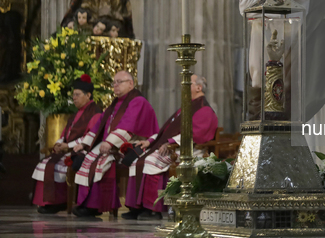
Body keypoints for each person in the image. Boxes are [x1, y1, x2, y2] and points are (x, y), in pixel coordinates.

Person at [122, 74, 218, 220]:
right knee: (136, 161)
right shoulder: (186, 107)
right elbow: (166, 131)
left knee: (150, 161)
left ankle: (153, 209)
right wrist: (149, 141)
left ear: (198, 88)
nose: (183, 87)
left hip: (190, 149)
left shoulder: (204, 109)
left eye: (188, 83)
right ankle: (136, 208)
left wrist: (171, 143)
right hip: (174, 146)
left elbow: (196, 134)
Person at [73, 71, 159, 217]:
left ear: (131, 84)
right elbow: (99, 125)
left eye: (120, 82)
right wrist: (84, 144)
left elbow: (128, 126)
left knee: (103, 161)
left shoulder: (137, 101)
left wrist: (110, 142)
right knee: (88, 158)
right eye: (114, 82)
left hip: (133, 144)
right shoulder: (115, 103)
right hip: (113, 144)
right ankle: (87, 204)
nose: (116, 85)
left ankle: (94, 206)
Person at [32, 74, 102, 214]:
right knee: (45, 164)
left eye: (77, 94)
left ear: (88, 95)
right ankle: (53, 202)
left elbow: (92, 136)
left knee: (56, 166)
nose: (73, 98)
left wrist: (68, 146)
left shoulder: (96, 113)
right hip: (69, 150)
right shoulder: (74, 115)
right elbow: (65, 133)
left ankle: (59, 202)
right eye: (73, 95)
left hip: (84, 151)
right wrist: (59, 143)